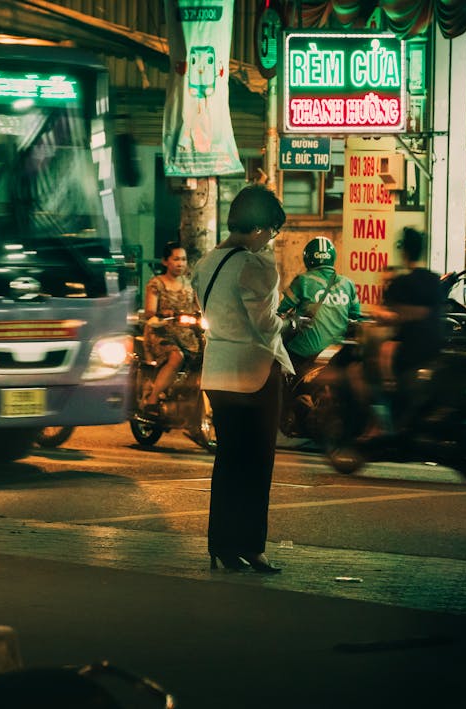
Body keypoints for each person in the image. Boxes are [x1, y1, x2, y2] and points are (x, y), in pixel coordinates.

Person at [192, 184, 291, 574]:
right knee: (256, 464)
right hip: (254, 373)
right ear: (259, 228)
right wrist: (291, 321)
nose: (271, 239)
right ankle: (252, 546)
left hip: (217, 371)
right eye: (272, 231)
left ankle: (221, 545)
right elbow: (265, 325)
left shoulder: (207, 262)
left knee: (228, 462)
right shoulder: (257, 264)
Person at [366, 227, 444, 428]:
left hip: (409, 352)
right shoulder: (434, 279)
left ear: (404, 252)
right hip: (435, 348)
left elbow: (388, 317)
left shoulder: (402, 283)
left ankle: (380, 426)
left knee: (374, 370)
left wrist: (373, 310)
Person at [277, 236, 361, 375]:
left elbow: (280, 309)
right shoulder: (348, 284)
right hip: (336, 353)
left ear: (307, 258)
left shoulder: (303, 281)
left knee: (280, 358)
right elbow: (356, 317)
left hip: (305, 352)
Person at [141, 242, 202, 413]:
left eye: (183, 259)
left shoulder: (190, 285)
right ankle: (152, 399)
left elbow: (199, 307)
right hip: (161, 333)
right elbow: (149, 312)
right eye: (176, 259)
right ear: (165, 261)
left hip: (187, 333)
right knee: (177, 357)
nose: (180, 263)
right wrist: (162, 313)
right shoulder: (156, 284)